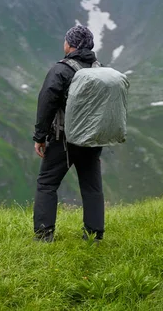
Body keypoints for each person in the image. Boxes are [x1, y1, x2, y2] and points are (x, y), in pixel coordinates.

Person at [32, 25, 105, 243]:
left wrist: (39, 137)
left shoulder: (61, 70)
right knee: (92, 187)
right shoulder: (101, 69)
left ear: (70, 44)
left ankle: (44, 236)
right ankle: (93, 235)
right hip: (92, 139)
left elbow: (46, 104)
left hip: (63, 140)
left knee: (47, 184)